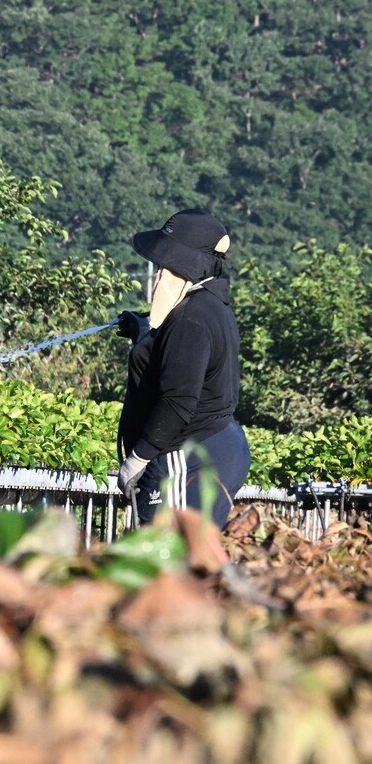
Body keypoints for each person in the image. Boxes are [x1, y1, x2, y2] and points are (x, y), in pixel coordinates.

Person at [115, 208, 251, 528]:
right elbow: (177, 360)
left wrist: (138, 458)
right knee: (189, 558)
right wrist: (145, 332)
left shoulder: (191, 318)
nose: (160, 274)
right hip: (217, 444)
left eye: (165, 265)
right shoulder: (211, 305)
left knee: (166, 555)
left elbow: (178, 400)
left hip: (188, 453)